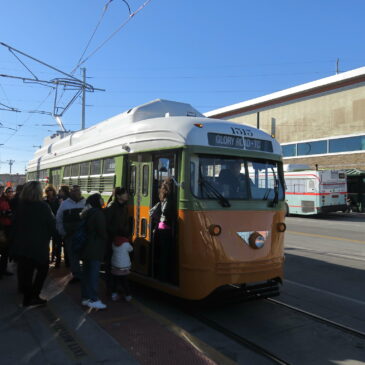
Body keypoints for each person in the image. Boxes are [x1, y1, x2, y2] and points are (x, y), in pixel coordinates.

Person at [10, 181, 56, 306]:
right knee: (42, 270)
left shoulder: (20, 205)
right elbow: (52, 226)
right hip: (38, 246)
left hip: (21, 246)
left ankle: (27, 298)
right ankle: (34, 296)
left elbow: (13, 224)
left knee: (26, 272)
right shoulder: (43, 207)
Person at [80, 193, 108, 309]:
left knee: (86, 273)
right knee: (94, 274)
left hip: (86, 247)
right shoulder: (98, 214)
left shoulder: (87, 212)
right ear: (97, 201)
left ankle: (86, 298)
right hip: (95, 247)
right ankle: (94, 299)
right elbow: (102, 232)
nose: (102, 200)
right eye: (101, 198)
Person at [105, 187, 132, 300]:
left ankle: (118, 288)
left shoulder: (124, 207)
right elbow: (107, 224)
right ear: (119, 196)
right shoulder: (112, 207)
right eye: (125, 194)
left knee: (119, 266)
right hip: (112, 240)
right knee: (112, 266)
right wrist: (117, 232)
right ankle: (112, 290)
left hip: (121, 238)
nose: (127, 196)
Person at [56, 185, 85, 282]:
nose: (76, 193)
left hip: (83, 235)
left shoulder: (85, 203)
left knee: (84, 255)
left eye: (78, 191)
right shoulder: (64, 204)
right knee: (73, 256)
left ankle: (85, 274)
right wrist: (63, 232)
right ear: (70, 192)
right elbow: (59, 219)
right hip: (69, 235)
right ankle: (76, 275)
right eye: (74, 191)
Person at [149, 178, 175, 283]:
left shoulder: (162, 198)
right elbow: (169, 214)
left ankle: (161, 275)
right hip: (166, 230)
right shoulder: (170, 200)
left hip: (160, 228)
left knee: (163, 253)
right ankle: (163, 276)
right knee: (166, 253)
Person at [44, 185, 62, 267]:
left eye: (50, 190)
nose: (49, 192)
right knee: (46, 243)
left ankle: (57, 260)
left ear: (53, 191)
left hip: (56, 223)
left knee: (57, 243)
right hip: (47, 224)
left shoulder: (58, 199)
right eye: (47, 190)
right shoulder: (44, 200)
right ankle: (47, 259)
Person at [0, 186, 14, 278]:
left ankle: (3, 270)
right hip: (2, 227)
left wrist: (8, 213)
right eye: (8, 191)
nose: (10, 193)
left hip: (7, 227)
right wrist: (5, 213)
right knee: (3, 250)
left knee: (5, 251)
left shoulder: (7, 200)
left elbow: (9, 213)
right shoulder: (2, 201)